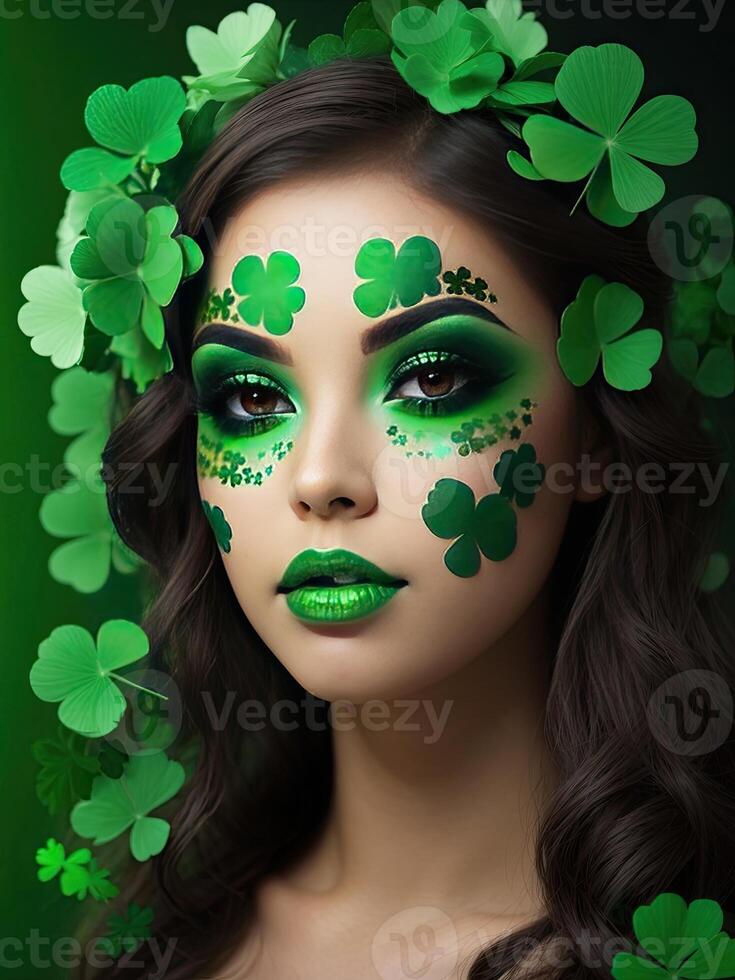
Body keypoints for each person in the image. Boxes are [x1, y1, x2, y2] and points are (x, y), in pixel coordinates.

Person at [82, 56, 735, 980]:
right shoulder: (167, 950)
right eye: (252, 400)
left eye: (431, 381)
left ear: (592, 428)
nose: (320, 479)